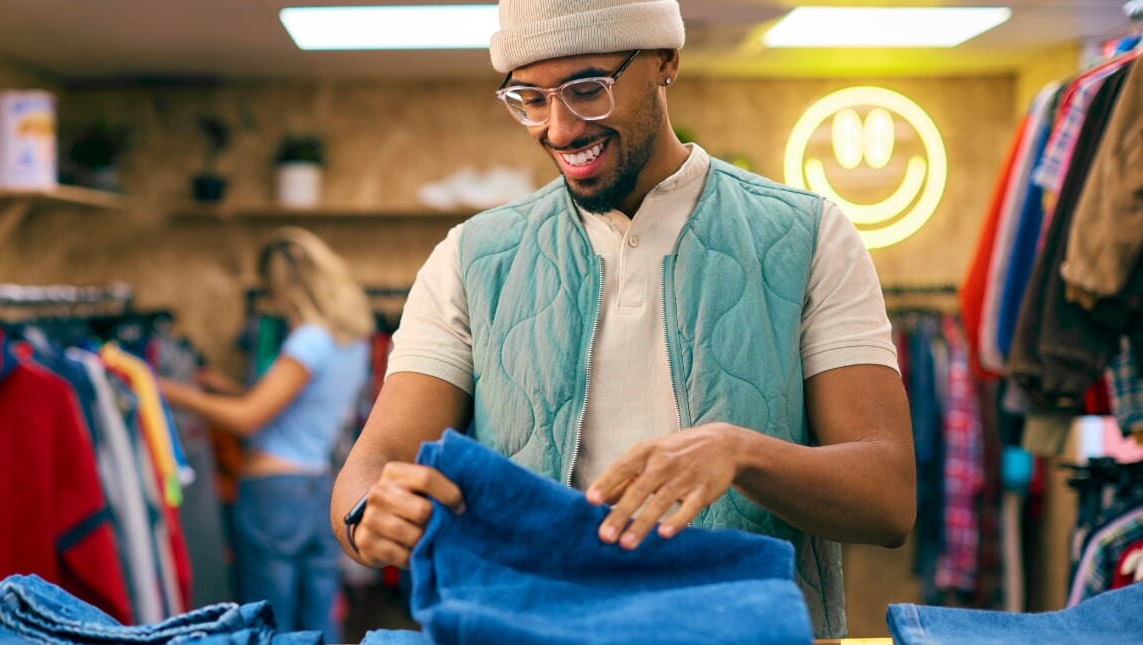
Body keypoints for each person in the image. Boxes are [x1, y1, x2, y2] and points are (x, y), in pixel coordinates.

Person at [330, 0, 915, 638]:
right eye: (529, 97)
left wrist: (741, 453)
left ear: (666, 61)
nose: (558, 128)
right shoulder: (470, 259)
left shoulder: (809, 236)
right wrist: (370, 512)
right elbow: (374, 460)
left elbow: (887, 498)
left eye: (587, 89)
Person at [160, 226, 372, 642]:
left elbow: (247, 419)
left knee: (269, 625)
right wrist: (227, 386)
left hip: (274, 494)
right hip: (319, 490)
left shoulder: (307, 341)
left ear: (288, 286)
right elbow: (298, 404)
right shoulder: (353, 341)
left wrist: (166, 389)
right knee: (319, 622)